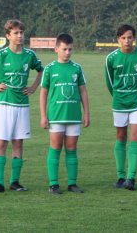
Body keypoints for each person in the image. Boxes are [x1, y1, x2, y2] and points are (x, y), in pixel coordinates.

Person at [0, 19, 43, 194]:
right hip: (4, 104)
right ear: (8, 36)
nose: (19, 36)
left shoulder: (30, 55)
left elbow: (41, 70)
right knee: (1, 142)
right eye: (15, 33)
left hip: (22, 104)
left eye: (21, 32)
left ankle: (15, 182)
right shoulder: (1, 55)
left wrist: (34, 87)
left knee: (18, 142)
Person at [39, 33, 90, 195]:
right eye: (64, 49)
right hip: (56, 116)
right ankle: (53, 184)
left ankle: (72, 183)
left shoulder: (77, 68)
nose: (67, 52)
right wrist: (43, 115)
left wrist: (86, 113)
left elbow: (83, 91)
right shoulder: (50, 69)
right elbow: (43, 93)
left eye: (70, 49)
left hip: (74, 116)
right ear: (56, 49)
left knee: (71, 148)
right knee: (55, 148)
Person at [105, 24, 137, 191]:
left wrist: (134, 92)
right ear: (118, 39)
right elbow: (110, 82)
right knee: (120, 136)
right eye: (123, 38)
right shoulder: (111, 58)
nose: (127, 41)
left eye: (129, 37)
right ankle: (120, 176)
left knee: (135, 137)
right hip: (119, 103)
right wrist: (120, 95)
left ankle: (131, 178)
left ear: (134, 38)